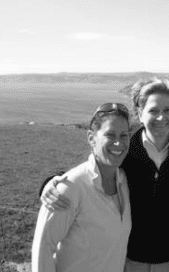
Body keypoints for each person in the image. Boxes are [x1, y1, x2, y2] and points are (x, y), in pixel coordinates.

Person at [41, 78, 169, 272]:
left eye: (167, 110)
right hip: (127, 263)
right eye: (153, 110)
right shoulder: (125, 151)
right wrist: (50, 183)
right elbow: (93, 171)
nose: (161, 118)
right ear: (140, 113)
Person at [32, 103, 132, 272]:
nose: (118, 143)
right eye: (110, 135)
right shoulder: (70, 188)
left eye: (124, 135)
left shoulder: (124, 180)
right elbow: (42, 248)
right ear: (91, 138)